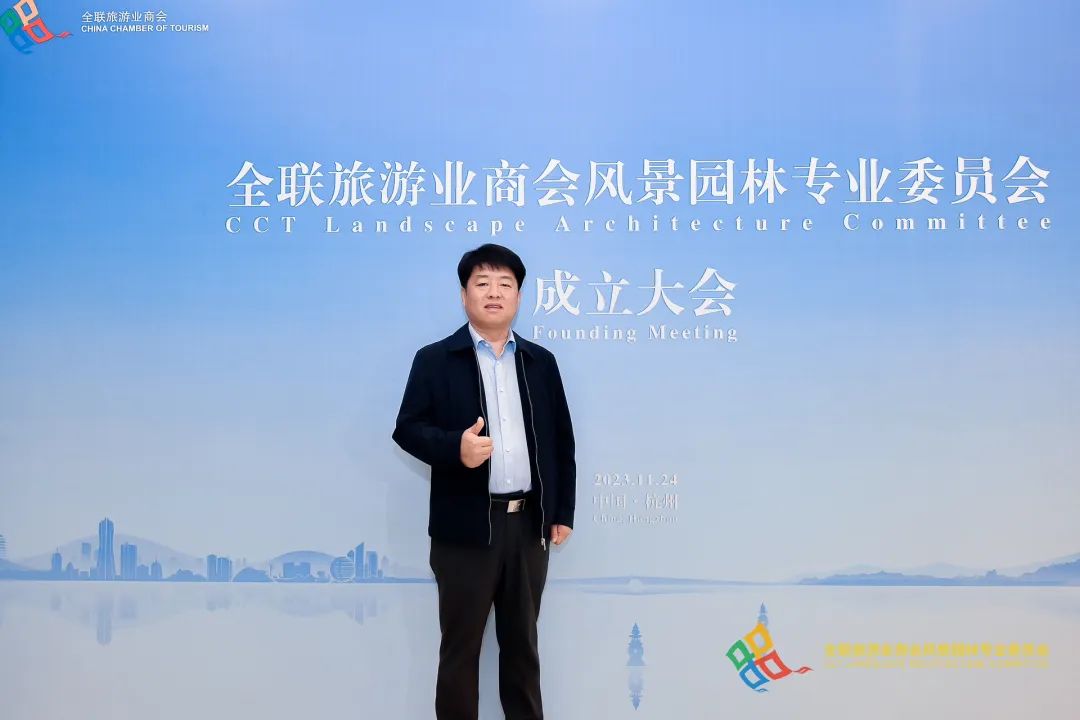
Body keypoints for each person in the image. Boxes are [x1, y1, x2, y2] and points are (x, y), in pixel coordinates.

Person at [393, 243, 576, 720]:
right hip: (464, 531)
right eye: (482, 283)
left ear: (519, 296)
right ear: (464, 295)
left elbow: (562, 441)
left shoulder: (541, 362)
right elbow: (407, 429)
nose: (494, 293)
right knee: (460, 654)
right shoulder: (435, 359)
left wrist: (560, 512)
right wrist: (455, 447)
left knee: (523, 651)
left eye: (505, 284)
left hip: (528, 528)